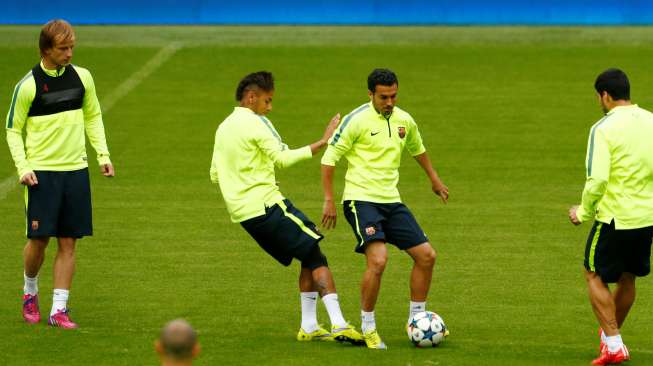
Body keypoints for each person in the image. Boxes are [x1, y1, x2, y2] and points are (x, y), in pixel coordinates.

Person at [210, 71, 363, 344]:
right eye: (267, 101)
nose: (269, 107)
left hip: (243, 214)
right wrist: (322, 142)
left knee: (307, 252)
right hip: (266, 204)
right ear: (251, 98)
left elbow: (215, 174)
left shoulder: (223, 128)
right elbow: (282, 158)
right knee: (316, 254)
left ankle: (310, 326)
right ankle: (339, 324)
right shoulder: (257, 124)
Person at [321, 68, 449, 349]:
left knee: (427, 256)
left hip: (391, 201)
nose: (389, 102)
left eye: (393, 96)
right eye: (383, 97)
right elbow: (329, 159)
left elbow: (418, 148)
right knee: (378, 260)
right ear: (370, 95)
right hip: (361, 200)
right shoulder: (356, 120)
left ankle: (416, 320)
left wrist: (434, 179)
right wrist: (329, 199)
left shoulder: (405, 120)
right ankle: (368, 327)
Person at [5, 19, 114, 329]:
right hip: (41, 175)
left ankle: (59, 310)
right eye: (63, 49)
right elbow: (13, 129)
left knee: (68, 242)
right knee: (38, 241)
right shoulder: (28, 86)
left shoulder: (83, 78)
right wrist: (23, 168)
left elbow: (93, 117)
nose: (69, 54)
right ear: (45, 50)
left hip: (75, 171)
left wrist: (102, 155)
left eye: (72, 47)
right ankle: (29, 291)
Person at [569, 68, 653, 366]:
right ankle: (610, 340)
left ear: (604, 95)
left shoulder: (602, 129)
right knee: (628, 278)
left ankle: (615, 344)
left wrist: (583, 211)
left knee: (593, 273)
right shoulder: (651, 120)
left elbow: (598, 179)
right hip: (646, 217)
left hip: (614, 218)